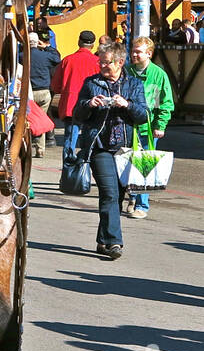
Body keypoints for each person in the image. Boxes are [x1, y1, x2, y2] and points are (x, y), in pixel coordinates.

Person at [73, 41, 148, 261]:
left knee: (118, 196)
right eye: (101, 62)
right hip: (100, 147)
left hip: (125, 148)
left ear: (120, 62)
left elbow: (143, 115)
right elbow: (77, 114)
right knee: (109, 193)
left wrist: (127, 105)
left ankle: (102, 240)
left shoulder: (133, 84)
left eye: (107, 63)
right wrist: (89, 104)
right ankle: (115, 242)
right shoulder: (92, 83)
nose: (103, 67)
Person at [125, 36, 175, 220]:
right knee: (129, 164)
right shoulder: (127, 71)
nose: (134, 54)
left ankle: (141, 204)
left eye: (138, 52)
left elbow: (166, 102)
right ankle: (131, 196)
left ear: (149, 54)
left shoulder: (158, 75)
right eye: (133, 51)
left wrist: (160, 125)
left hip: (147, 128)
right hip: (128, 127)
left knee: (144, 166)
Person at [52, 29, 100, 156]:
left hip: (71, 104)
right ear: (93, 45)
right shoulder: (97, 62)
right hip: (92, 104)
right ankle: (85, 167)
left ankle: (68, 169)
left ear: (79, 42)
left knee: (70, 139)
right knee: (89, 139)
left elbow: (55, 86)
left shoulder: (67, 60)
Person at [29, 27, 62, 157]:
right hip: (44, 92)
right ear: (38, 42)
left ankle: (26, 144)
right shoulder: (46, 55)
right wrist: (47, 46)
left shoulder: (22, 56)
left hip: (29, 93)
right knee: (41, 118)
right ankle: (40, 148)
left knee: (27, 119)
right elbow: (57, 58)